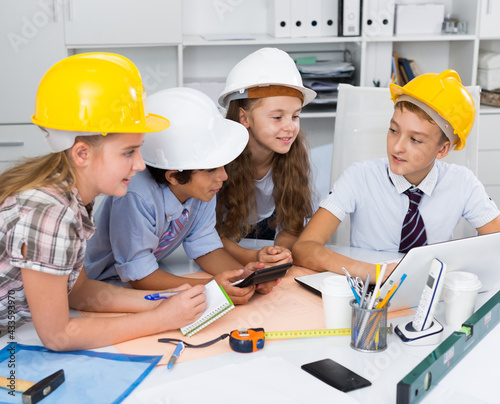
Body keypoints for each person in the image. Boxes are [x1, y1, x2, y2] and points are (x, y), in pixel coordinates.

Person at [0, 53, 208, 351]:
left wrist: (162, 301)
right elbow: (58, 336)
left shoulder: (72, 198)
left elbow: (78, 290)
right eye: (128, 152)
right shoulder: (49, 211)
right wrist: (161, 319)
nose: (139, 165)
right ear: (82, 153)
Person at [293, 69, 500, 282]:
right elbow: (304, 248)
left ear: (442, 150)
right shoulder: (359, 177)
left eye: (415, 140)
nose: (397, 147)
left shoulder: (462, 183)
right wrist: (375, 273)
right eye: (393, 130)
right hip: (368, 291)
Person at [85, 87, 287, 304]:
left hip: (137, 280)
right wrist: (212, 288)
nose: (223, 176)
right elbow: (139, 274)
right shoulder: (136, 196)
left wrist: (242, 278)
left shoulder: (203, 190)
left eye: (222, 166)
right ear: (174, 176)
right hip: (98, 285)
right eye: (211, 169)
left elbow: (205, 245)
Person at [216, 47, 317, 264]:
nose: (290, 127)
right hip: (222, 242)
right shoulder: (218, 161)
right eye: (277, 117)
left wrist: (277, 254)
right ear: (244, 117)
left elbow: (291, 225)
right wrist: (253, 257)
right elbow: (207, 235)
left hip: (264, 234)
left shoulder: (294, 154)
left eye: (295, 116)